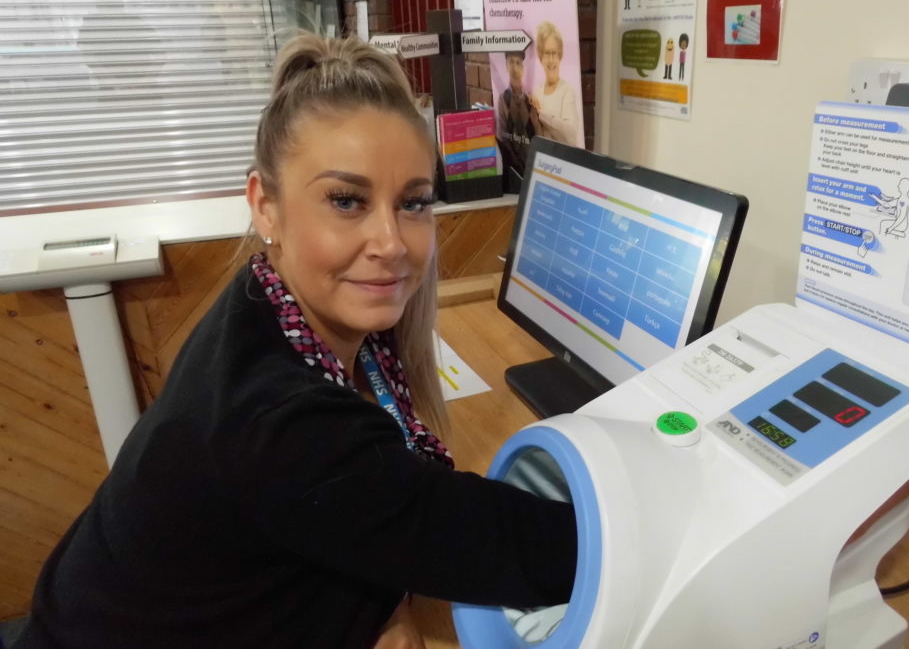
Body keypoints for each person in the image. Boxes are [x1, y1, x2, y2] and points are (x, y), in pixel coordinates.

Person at [12, 32, 577, 649]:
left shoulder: (264, 301)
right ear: (266, 206)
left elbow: (353, 518)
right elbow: (528, 551)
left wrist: (381, 600)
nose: (390, 242)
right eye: (346, 200)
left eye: (413, 203)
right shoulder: (281, 421)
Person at [529, 21, 582, 147]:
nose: (551, 60)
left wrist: (540, 114)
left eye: (554, 53)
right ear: (541, 57)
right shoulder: (537, 92)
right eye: (547, 53)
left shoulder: (567, 91)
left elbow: (571, 136)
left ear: (560, 56)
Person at [496, 50, 540, 178]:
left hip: (532, 168)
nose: (514, 67)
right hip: (513, 170)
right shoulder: (503, 99)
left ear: (523, 67)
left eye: (518, 63)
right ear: (506, 65)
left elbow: (536, 136)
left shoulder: (530, 100)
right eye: (511, 62)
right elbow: (503, 137)